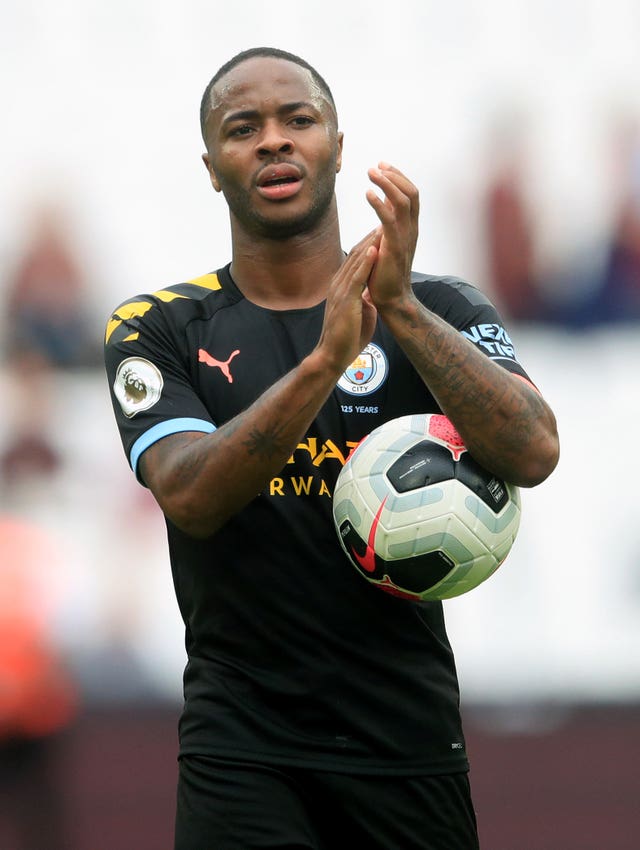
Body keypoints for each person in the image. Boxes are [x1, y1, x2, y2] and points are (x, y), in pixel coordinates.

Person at [104, 47, 559, 850]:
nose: (274, 142)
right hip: (243, 750)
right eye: (244, 129)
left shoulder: (440, 305)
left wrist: (404, 315)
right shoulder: (157, 328)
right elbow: (190, 495)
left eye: (298, 121)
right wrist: (324, 363)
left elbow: (533, 451)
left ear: (337, 147)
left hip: (409, 745)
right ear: (212, 167)